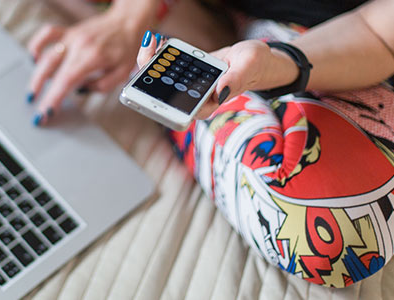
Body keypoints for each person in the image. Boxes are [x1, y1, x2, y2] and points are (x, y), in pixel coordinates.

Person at [27, 0, 394, 287]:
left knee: (336, 233)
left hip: (329, 35)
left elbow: (378, 35)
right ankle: (169, 45)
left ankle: (188, 46)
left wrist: (276, 65)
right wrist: (128, 16)